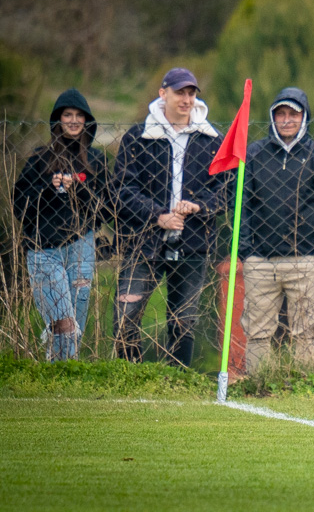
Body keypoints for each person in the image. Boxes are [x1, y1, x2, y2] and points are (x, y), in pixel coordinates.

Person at [112, 68, 226, 367]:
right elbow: (123, 189)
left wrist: (200, 206)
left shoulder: (213, 139)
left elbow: (227, 187)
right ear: (163, 94)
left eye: (191, 93)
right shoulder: (138, 137)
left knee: (183, 319)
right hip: (143, 241)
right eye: (180, 92)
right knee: (127, 314)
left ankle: (177, 382)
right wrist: (157, 216)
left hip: (193, 242)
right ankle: (128, 377)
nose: (186, 99)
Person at [238, 87, 314, 371]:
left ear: (304, 117)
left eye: (293, 113)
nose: (287, 120)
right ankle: (258, 383)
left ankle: (306, 389)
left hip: (305, 261)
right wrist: (248, 253)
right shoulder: (254, 154)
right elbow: (242, 204)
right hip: (261, 263)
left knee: (307, 332)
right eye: (280, 113)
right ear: (272, 117)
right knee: (257, 333)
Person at [13, 89, 108, 361]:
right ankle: (62, 372)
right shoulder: (39, 159)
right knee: (63, 323)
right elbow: (21, 204)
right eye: (68, 114)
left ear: (87, 120)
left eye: (79, 115)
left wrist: (78, 188)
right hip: (44, 251)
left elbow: (106, 207)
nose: (74, 120)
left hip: (81, 249)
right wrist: (48, 187)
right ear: (58, 120)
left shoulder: (97, 161)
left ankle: (63, 373)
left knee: (74, 324)